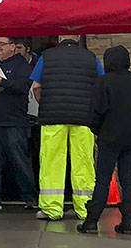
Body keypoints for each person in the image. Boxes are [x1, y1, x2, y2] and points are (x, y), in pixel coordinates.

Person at [78, 45, 131, 235]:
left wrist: (97, 130)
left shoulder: (104, 82)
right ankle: (128, 222)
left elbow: (96, 111)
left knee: (102, 180)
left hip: (109, 137)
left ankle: (92, 222)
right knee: (128, 179)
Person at [30, 35, 103, 220]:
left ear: (59, 37)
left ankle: (51, 209)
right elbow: (101, 86)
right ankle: (85, 209)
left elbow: (36, 87)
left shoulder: (46, 56)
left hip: (53, 117)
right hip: (84, 118)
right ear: (78, 37)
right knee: (83, 162)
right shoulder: (91, 57)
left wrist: (44, 103)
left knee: (52, 162)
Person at [0, 37, 39, 212]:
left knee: (20, 161)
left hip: (14, 122)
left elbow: (21, 87)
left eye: (3, 44)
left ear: (13, 47)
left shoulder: (22, 66)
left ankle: (30, 197)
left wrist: (1, 81)